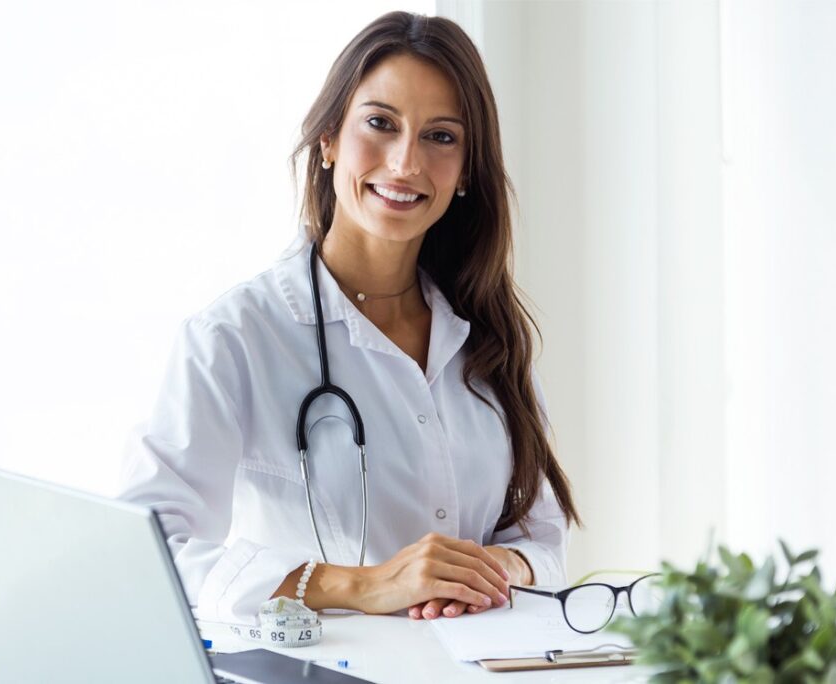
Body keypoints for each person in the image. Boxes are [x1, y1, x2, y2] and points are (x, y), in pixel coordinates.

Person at [118, 11, 580, 624]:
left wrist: (490, 571)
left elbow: (543, 539)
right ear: (329, 138)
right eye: (381, 124)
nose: (405, 163)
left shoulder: (486, 335)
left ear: (467, 169)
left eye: (441, 136)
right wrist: (360, 585)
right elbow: (146, 550)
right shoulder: (235, 338)